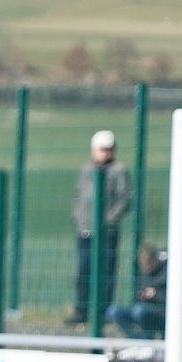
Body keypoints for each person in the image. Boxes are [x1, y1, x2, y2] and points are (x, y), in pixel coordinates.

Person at [69, 130, 131, 327]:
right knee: (83, 271)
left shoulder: (119, 171)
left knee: (106, 273)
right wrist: (77, 216)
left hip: (107, 233)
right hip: (85, 230)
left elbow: (124, 200)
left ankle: (103, 312)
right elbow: (78, 194)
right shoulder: (86, 169)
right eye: (101, 149)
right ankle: (81, 310)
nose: (105, 153)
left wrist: (107, 221)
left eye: (108, 149)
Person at [104, 243, 168, 339]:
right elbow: (138, 296)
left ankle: (147, 339)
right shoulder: (143, 272)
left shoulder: (166, 271)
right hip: (141, 308)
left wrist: (156, 294)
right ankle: (137, 339)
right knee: (113, 311)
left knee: (139, 311)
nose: (145, 267)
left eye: (148, 264)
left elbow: (171, 300)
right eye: (143, 264)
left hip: (160, 312)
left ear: (155, 260)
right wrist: (142, 294)